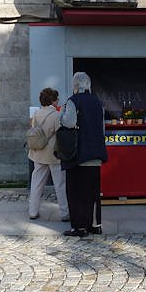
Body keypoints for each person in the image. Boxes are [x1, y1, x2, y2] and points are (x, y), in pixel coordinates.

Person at [60, 72, 108, 237]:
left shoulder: (73, 101)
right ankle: (95, 225)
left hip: (79, 154)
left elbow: (69, 122)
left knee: (76, 192)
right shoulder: (97, 102)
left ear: (75, 85)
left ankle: (80, 227)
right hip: (96, 153)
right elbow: (102, 128)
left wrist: (61, 114)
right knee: (93, 193)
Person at [28, 87, 69, 222]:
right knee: (60, 185)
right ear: (53, 100)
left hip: (38, 153)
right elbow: (61, 133)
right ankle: (64, 213)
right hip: (53, 155)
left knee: (36, 184)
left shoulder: (37, 114)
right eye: (57, 99)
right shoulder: (56, 115)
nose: (58, 101)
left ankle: (33, 211)